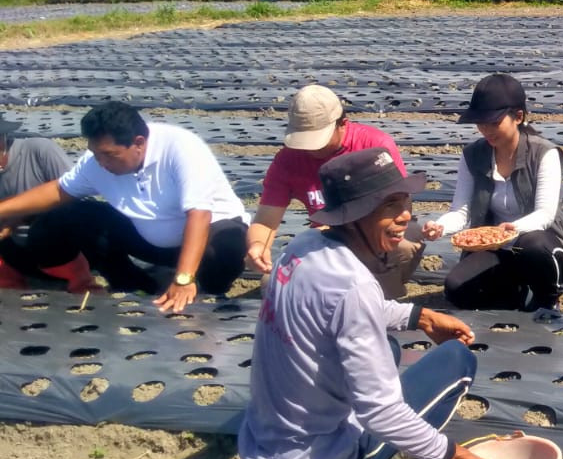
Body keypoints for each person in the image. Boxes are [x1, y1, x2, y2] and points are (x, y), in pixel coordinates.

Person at [238, 147, 513, 459]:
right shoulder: (354, 284)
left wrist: (420, 316)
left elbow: (335, 310)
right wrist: (459, 457)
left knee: (390, 347)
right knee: (457, 360)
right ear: (353, 216)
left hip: (260, 453)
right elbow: (380, 413)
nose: (405, 216)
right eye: (389, 206)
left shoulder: (301, 248)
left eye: (405, 202)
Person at [0, 102, 248, 311]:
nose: (101, 162)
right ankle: (135, 286)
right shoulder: (97, 161)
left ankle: (204, 290)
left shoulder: (181, 148)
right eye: (95, 154)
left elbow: (199, 215)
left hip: (204, 239)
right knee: (70, 216)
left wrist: (184, 278)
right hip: (148, 239)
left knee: (228, 246)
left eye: (109, 155)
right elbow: (59, 191)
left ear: (138, 143)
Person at [421, 74, 563, 313]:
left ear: (518, 117)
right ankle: (517, 291)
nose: (486, 130)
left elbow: (545, 214)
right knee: (456, 289)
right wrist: (440, 226)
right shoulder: (473, 155)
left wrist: (512, 229)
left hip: (531, 246)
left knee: (532, 247)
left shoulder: (543, 153)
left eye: (494, 122)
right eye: (481, 123)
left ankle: (548, 296)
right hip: (498, 250)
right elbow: (461, 211)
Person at [245, 84, 423, 297]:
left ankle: (383, 291)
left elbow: (398, 204)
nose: (311, 149)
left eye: (319, 139)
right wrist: (258, 245)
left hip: (375, 230)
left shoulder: (374, 144)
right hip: (328, 239)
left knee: (401, 250)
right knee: (273, 285)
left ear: (342, 124)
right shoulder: (288, 159)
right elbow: (266, 219)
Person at [0, 117, 93, 291]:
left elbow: (77, 202)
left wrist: (20, 217)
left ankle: (83, 283)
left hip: (63, 247)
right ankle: (12, 283)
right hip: (19, 251)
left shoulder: (39, 150)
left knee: (45, 230)